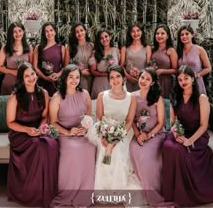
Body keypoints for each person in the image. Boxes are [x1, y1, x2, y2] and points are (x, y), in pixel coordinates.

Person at [162, 65, 213, 207]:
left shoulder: (201, 98)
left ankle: (186, 193)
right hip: (180, 132)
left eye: (186, 78)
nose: (183, 81)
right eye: (179, 79)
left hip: (197, 135)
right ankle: (172, 192)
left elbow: (204, 125)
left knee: (179, 151)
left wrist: (190, 140)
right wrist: (177, 135)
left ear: (193, 79)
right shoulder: (175, 96)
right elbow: (172, 122)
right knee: (168, 146)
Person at [6, 62, 59, 208]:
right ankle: (33, 193)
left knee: (52, 145)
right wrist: (27, 130)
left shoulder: (44, 93)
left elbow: (44, 116)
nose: (31, 78)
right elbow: (10, 123)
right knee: (38, 146)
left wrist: (41, 126)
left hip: (37, 130)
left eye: (33, 74)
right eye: (27, 76)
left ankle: (47, 191)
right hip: (20, 133)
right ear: (21, 79)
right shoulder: (14, 97)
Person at [87, 65, 140, 194]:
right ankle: (103, 186)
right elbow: (99, 117)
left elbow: (129, 121)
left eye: (118, 76)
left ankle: (116, 186)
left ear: (123, 78)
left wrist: (117, 137)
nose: (115, 80)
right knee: (104, 146)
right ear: (108, 80)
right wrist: (104, 135)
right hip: (102, 129)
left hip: (124, 131)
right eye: (111, 77)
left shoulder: (131, 97)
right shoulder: (102, 95)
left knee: (116, 149)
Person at [50, 64, 96, 207]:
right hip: (65, 134)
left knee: (90, 146)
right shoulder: (57, 97)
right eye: (71, 77)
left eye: (77, 77)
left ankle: (85, 191)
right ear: (64, 78)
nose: (74, 80)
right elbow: (53, 123)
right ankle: (68, 189)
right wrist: (68, 132)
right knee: (74, 149)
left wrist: (85, 129)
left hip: (82, 133)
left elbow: (90, 117)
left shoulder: (85, 94)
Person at [130, 68, 174, 208]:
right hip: (138, 135)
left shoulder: (157, 98)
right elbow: (130, 119)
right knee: (138, 153)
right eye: (142, 77)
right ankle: (148, 191)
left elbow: (161, 122)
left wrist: (149, 135)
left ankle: (157, 193)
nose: (143, 81)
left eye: (147, 79)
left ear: (153, 82)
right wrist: (138, 135)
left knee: (150, 159)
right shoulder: (132, 96)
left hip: (156, 134)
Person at [0, 22, 33, 95]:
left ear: (23, 32)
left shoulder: (29, 48)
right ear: (11, 34)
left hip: (25, 84)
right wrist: (13, 72)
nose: (18, 34)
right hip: (8, 84)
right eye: (14, 32)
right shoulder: (5, 48)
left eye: (20, 31)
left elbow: (32, 66)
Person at [177, 25, 211, 94]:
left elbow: (208, 68)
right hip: (182, 84)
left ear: (192, 35)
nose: (184, 36)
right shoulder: (178, 50)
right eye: (182, 35)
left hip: (196, 82)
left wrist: (198, 74)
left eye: (187, 34)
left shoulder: (199, 49)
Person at [33, 22, 65, 96]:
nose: (49, 33)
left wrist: (58, 75)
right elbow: (35, 67)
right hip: (42, 82)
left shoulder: (62, 48)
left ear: (55, 31)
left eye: (51, 30)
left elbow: (65, 66)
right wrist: (45, 77)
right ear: (44, 34)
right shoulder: (38, 48)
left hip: (56, 81)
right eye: (46, 31)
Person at [120, 22, 152, 92]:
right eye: (133, 31)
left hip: (142, 81)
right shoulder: (124, 48)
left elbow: (148, 65)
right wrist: (128, 76)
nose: (136, 33)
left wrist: (141, 76)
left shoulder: (147, 48)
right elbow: (121, 65)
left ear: (142, 32)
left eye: (138, 31)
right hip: (128, 81)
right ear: (129, 33)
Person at [89, 28, 120, 99]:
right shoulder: (95, 53)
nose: (104, 39)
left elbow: (120, 67)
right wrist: (106, 74)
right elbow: (92, 71)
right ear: (99, 40)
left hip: (114, 83)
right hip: (99, 84)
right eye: (101, 38)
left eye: (106, 36)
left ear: (110, 37)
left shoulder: (116, 51)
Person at [64, 22, 94, 93]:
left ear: (85, 31)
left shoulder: (92, 46)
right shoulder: (70, 47)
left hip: (90, 76)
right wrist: (80, 72)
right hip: (76, 77)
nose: (80, 33)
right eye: (77, 32)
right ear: (74, 34)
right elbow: (66, 66)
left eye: (81, 30)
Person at [151, 24, 178, 99]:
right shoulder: (152, 49)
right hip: (153, 81)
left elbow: (175, 70)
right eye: (157, 33)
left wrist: (162, 71)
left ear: (168, 36)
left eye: (162, 33)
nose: (159, 36)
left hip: (166, 82)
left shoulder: (171, 51)